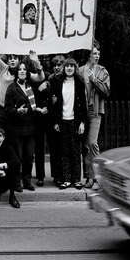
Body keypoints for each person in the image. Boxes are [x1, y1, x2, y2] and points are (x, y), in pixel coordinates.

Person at [4, 59, 48, 191]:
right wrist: (17, 111)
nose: (22, 71)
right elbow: (7, 109)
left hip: (30, 128)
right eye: (20, 69)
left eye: (24, 69)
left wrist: (40, 109)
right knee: (18, 157)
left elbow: (33, 105)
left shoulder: (30, 86)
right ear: (16, 72)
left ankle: (27, 181)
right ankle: (17, 183)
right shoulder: (12, 88)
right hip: (17, 129)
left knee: (29, 157)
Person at [51, 58, 87, 189]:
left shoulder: (79, 83)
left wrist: (82, 123)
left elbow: (83, 105)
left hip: (75, 122)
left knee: (75, 151)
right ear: (64, 68)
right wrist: (56, 122)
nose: (69, 68)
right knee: (64, 152)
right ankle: (66, 179)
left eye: (72, 66)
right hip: (62, 121)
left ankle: (76, 179)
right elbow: (55, 105)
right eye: (67, 66)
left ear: (75, 68)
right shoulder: (58, 82)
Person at [78, 43, 110, 188]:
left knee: (92, 143)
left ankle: (97, 178)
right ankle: (89, 178)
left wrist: (94, 80)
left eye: (98, 53)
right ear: (89, 55)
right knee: (86, 147)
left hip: (96, 111)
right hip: (83, 113)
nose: (97, 56)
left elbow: (106, 91)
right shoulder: (80, 70)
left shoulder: (102, 71)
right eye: (94, 53)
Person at [0, 51, 45, 129]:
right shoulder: (3, 68)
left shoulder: (22, 72)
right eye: (10, 58)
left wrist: (37, 63)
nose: (12, 60)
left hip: (15, 111)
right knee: (0, 134)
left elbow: (40, 78)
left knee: (12, 137)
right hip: (1, 110)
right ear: (7, 61)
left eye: (15, 58)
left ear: (19, 60)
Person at [47, 54, 66, 186]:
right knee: (54, 149)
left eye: (59, 65)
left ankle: (64, 174)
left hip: (65, 117)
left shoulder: (67, 79)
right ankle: (56, 176)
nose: (57, 67)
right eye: (55, 65)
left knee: (63, 148)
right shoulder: (51, 79)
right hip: (52, 118)